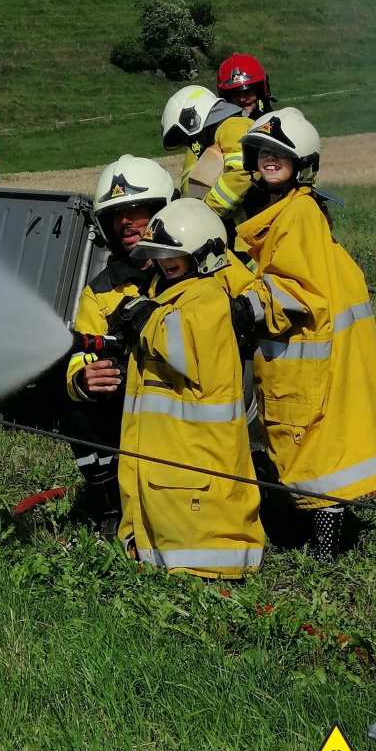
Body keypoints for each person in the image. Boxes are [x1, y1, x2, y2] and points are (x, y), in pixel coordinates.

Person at [233, 107, 376, 559]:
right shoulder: (290, 209)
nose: (269, 160)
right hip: (318, 355)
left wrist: (245, 307)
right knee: (323, 445)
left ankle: (324, 552)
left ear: (301, 164)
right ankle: (320, 538)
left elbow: (297, 288)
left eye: (279, 155)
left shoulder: (298, 213)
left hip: (308, 360)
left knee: (314, 452)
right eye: (262, 153)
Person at [107, 198, 264, 578]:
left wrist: (143, 319)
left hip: (199, 485)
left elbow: (187, 348)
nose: (163, 261)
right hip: (172, 463)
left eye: (171, 253)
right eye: (158, 254)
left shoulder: (208, 298)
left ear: (201, 254)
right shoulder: (171, 295)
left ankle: (204, 572)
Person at [66, 155, 177, 534]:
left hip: (188, 407)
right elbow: (80, 355)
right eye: (116, 215)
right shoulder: (99, 293)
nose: (126, 222)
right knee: (77, 410)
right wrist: (83, 378)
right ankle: (110, 506)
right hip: (132, 409)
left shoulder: (189, 269)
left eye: (136, 210)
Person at [160, 84, 270, 254]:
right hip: (245, 234)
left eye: (184, 134)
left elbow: (244, 169)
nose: (189, 141)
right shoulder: (214, 136)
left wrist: (209, 210)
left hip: (260, 231)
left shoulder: (232, 125)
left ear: (193, 117)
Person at [216, 52, 275, 119]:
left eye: (247, 92)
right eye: (235, 94)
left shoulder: (276, 121)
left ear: (259, 92)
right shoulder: (221, 124)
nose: (242, 99)